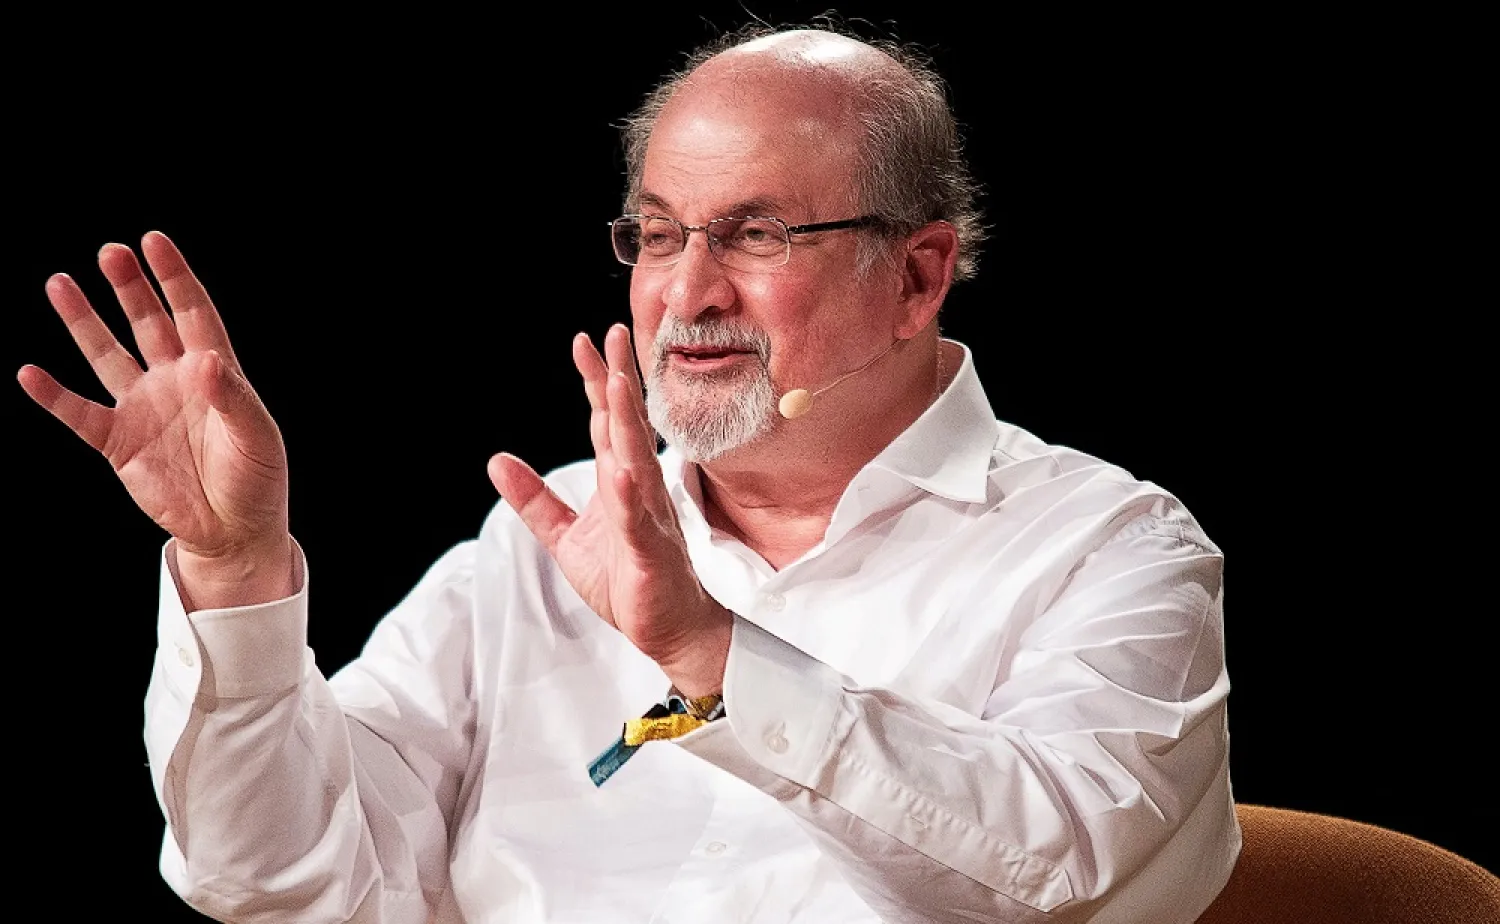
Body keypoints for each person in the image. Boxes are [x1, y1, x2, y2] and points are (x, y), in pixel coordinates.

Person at [16, 19, 1239, 924]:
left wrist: (707, 655)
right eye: (657, 235)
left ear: (919, 276)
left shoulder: (1110, 548)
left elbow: (1083, 872)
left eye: (757, 235)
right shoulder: (546, 538)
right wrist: (233, 578)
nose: (687, 294)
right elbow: (270, 877)